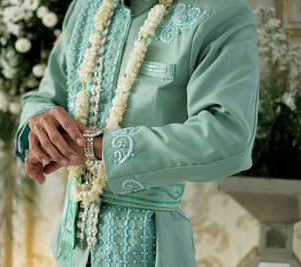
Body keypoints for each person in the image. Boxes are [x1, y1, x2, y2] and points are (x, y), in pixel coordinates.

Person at [14, 0, 260, 265]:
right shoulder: (86, 6)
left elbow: (229, 135)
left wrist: (95, 146)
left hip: (149, 251)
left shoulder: (219, 12)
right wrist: (39, 124)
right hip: (69, 250)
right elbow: (46, 95)